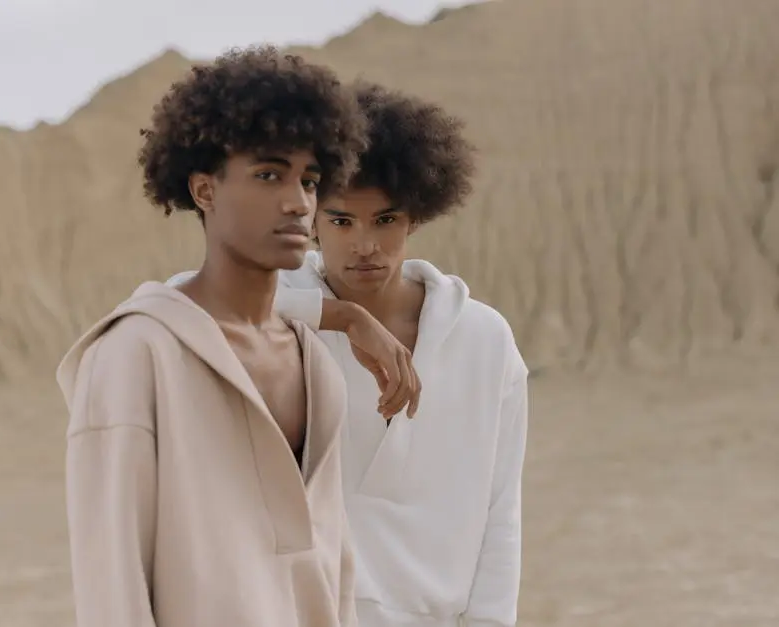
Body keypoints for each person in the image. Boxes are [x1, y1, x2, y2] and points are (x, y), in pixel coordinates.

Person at [170, 80, 530, 627]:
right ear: (312, 218)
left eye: (385, 220)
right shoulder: (279, 318)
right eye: (341, 221)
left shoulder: (485, 340)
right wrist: (341, 317)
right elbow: (177, 308)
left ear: (417, 217)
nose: (365, 244)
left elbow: (500, 510)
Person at [54, 46, 387, 627]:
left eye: (309, 180)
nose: (297, 202)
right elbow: (110, 582)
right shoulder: (136, 355)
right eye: (268, 175)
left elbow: (333, 568)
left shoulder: (316, 367)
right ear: (204, 191)